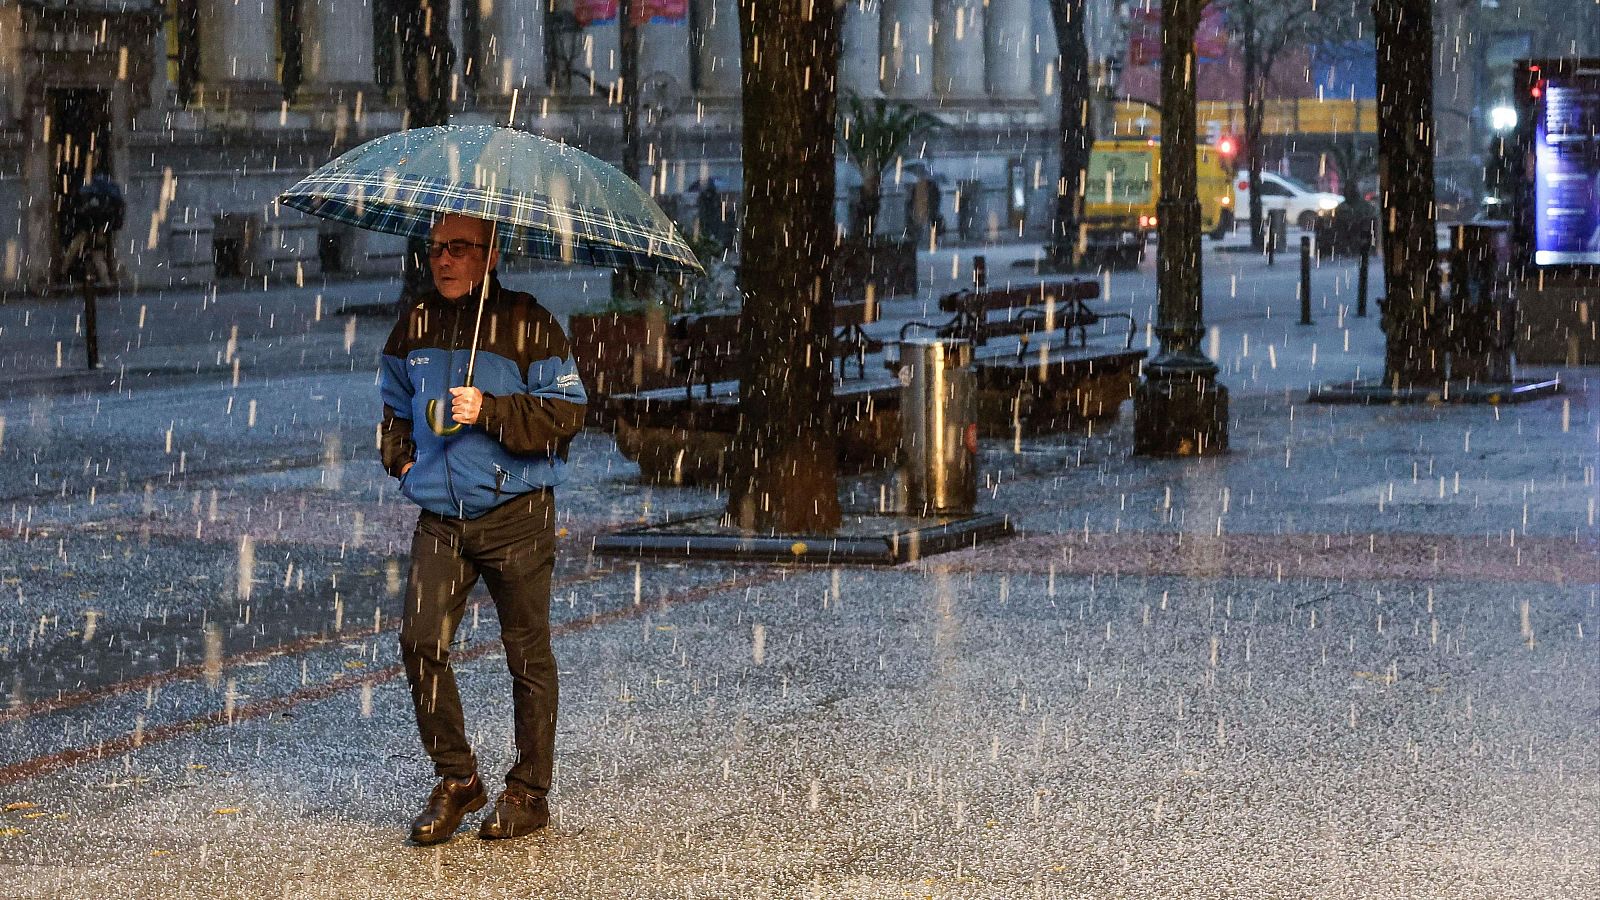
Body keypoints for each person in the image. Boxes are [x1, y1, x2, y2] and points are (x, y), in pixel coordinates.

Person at [378, 213, 587, 845]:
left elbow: (568, 412)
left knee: (526, 654)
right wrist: (403, 458)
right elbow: (391, 406)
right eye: (437, 248)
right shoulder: (413, 323)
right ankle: (458, 781)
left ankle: (528, 792)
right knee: (420, 641)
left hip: (515, 517)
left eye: (459, 248)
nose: (443, 260)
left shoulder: (530, 323)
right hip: (441, 519)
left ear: (491, 254)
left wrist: (490, 411)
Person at [61, 172, 124, 286]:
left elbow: (83, 216)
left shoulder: (91, 201)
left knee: (74, 250)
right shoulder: (105, 201)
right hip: (98, 232)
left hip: (90, 232)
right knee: (98, 258)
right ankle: (106, 283)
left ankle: (63, 273)